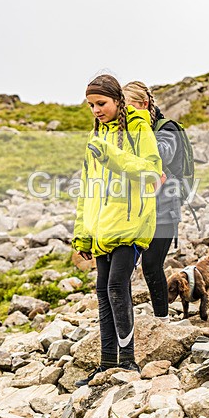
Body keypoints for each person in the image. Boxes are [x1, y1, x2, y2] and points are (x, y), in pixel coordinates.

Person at [72, 74, 162, 386]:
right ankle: (106, 362)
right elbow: (87, 190)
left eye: (101, 103)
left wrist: (111, 156)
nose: (96, 110)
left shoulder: (138, 126)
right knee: (102, 291)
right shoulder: (95, 136)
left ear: (117, 101)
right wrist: (83, 234)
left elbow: (152, 172)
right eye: (91, 105)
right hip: (102, 229)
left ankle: (128, 362)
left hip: (131, 224)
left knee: (116, 288)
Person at [122, 80, 179, 323]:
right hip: (135, 209)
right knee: (123, 268)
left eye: (129, 107)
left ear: (143, 105)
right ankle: (122, 321)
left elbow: (163, 153)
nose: (124, 114)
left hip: (165, 209)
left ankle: (162, 319)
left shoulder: (167, 129)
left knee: (152, 265)